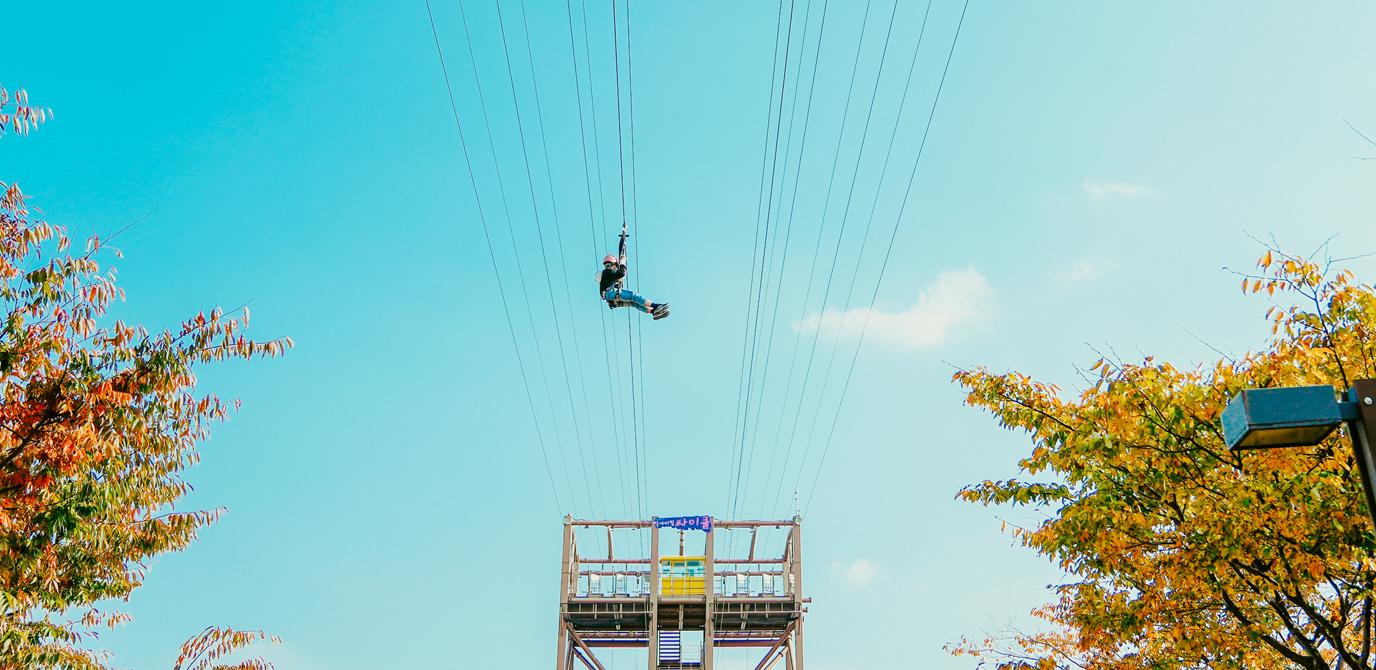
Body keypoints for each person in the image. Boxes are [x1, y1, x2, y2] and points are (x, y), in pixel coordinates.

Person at [598, 252, 669, 320]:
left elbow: (618, 276)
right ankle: (656, 306)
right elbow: (622, 273)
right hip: (611, 294)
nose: (609, 267)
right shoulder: (608, 271)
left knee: (633, 303)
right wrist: (622, 263)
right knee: (634, 296)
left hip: (612, 301)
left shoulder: (608, 276)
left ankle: (654, 312)